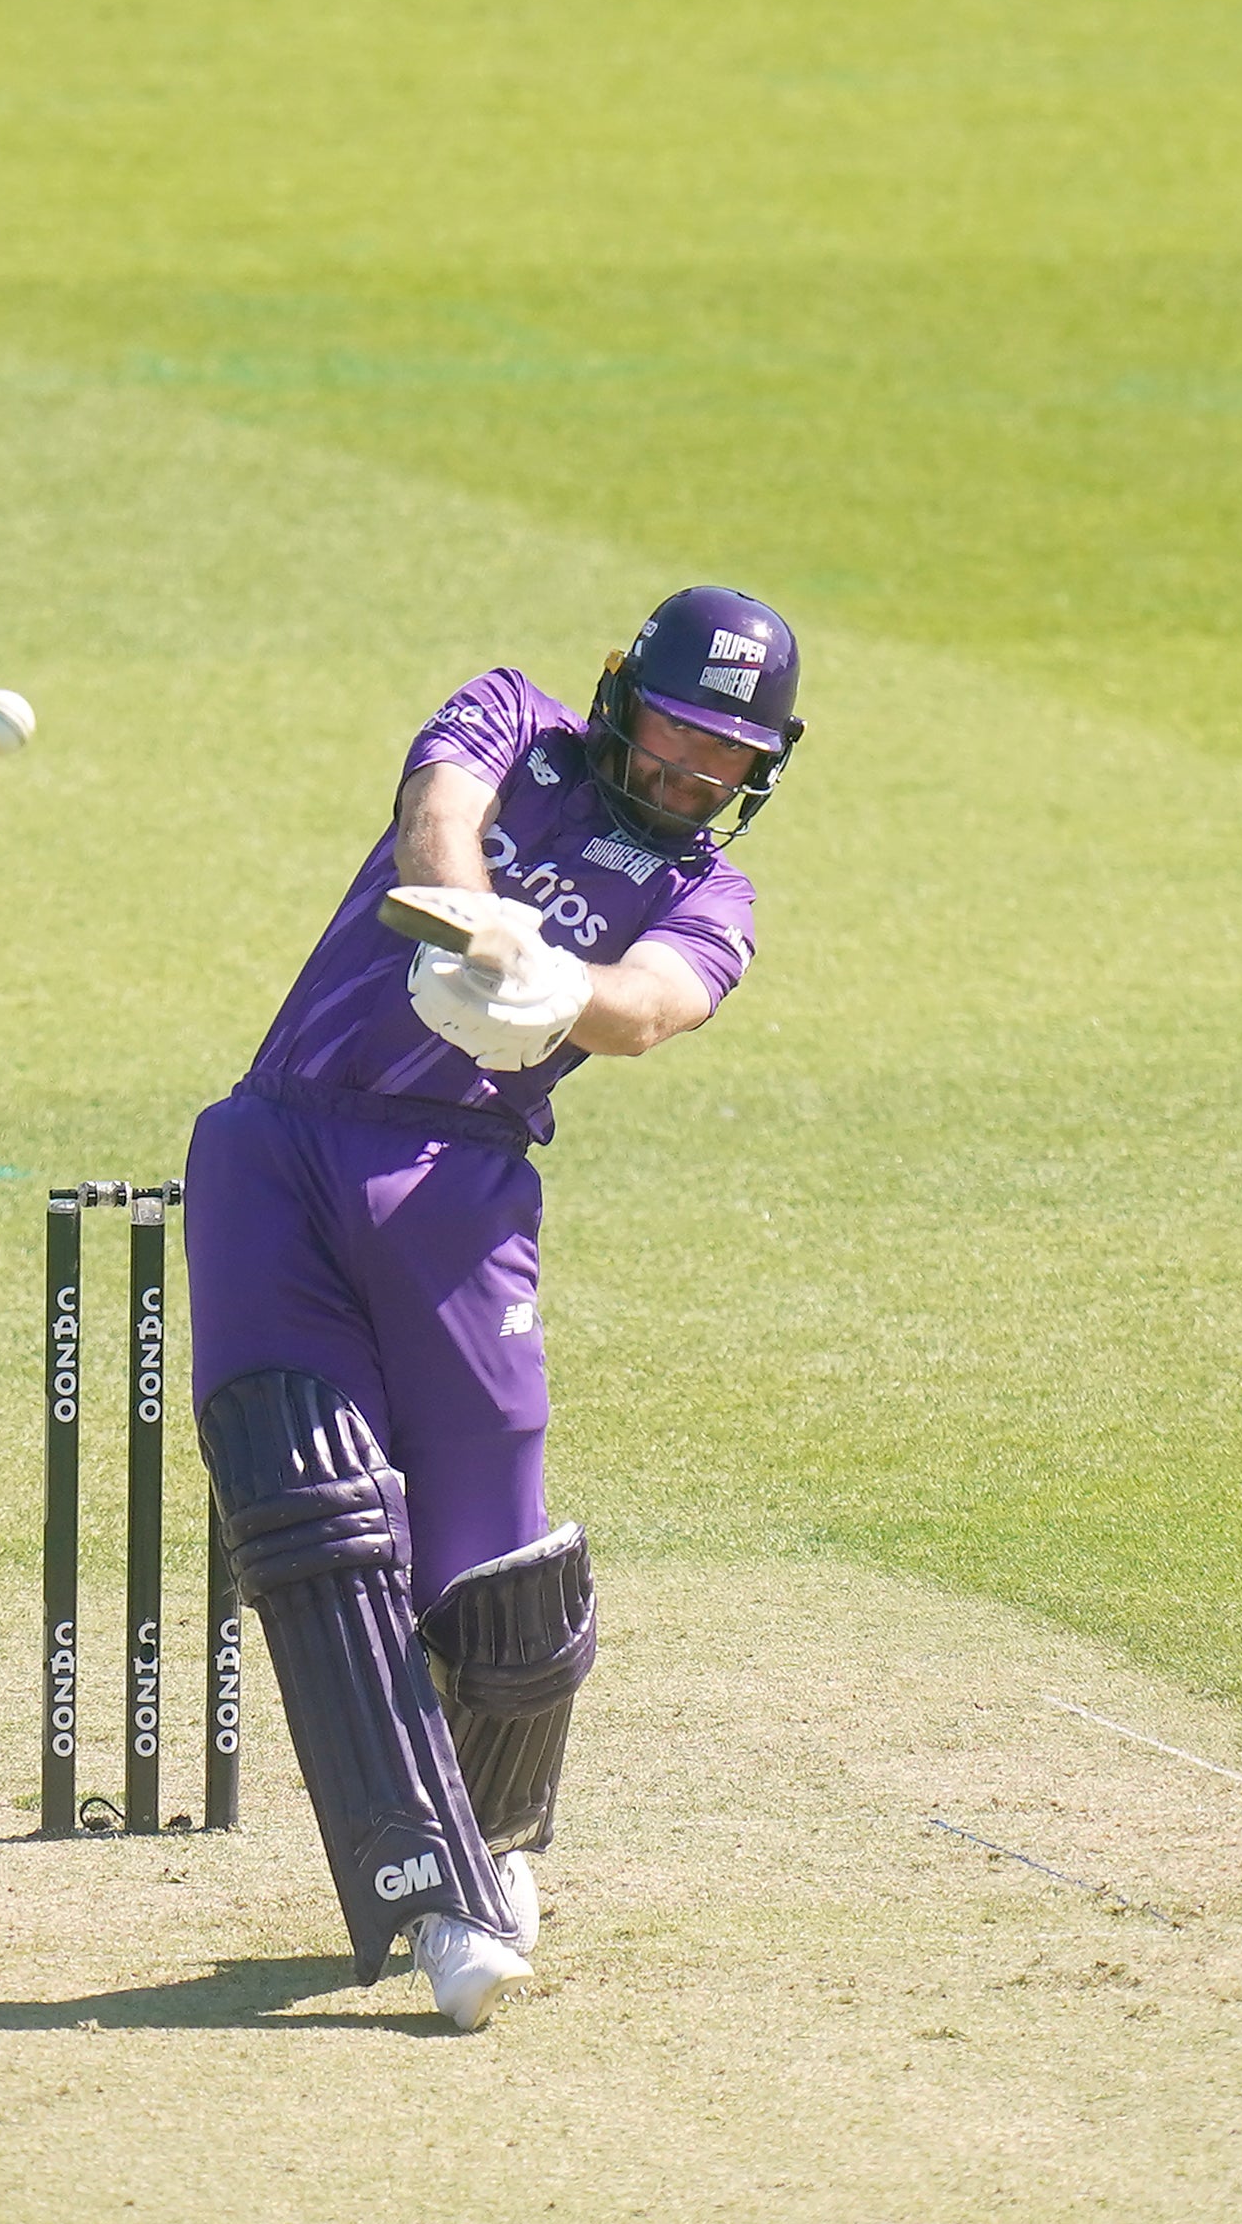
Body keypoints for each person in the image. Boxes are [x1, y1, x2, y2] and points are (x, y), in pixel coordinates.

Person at [185, 587, 802, 2029]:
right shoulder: (514, 717)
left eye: (727, 757)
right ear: (616, 696)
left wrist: (557, 990)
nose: (691, 773)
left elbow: (654, 1006)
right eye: (674, 732)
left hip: (460, 1184)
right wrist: (478, 929)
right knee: (312, 1501)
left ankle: (494, 1841)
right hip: (280, 1141)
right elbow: (436, 818)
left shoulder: (714, 892)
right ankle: (431, 1889)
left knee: (490, 1558)